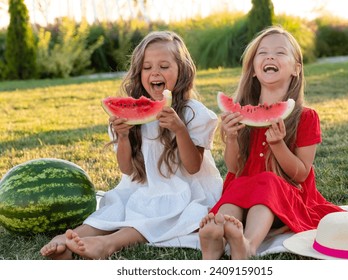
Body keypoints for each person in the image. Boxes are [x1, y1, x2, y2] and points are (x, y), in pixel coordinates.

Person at [40, 30, 223, 260]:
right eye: (147, 67)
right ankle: (70, 239)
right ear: (139, 72)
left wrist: (179, 130)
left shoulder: (194, 113)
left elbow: (194, 167)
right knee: (117, 209)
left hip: (185, 189)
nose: (155, 72)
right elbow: (127, 170)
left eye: (164, 66)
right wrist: (124, 137)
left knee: (157, 214)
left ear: (182, 71)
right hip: (143, 187)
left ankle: (108, 244)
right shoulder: (130, 116)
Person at [198, 26, 344, 260]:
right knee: (237, 184)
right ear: (254, 70)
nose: (270, 56)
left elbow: (301, 174)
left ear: (296, 69)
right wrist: (232, 138)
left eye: (280, 52)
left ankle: (248, 245)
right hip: (243, 192)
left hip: (286, 198)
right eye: (262, 52)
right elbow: (234, 168)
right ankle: (216, 237)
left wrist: (278, 145)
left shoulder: (306, 117)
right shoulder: (241, 114)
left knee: (266, 180)